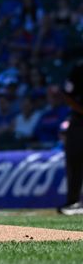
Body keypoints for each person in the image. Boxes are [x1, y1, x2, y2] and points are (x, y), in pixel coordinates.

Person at [59, 61, 83, 215]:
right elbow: (67, 95)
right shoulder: (79, 68)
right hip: (80, 119)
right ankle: (73, 201)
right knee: (74, 158)